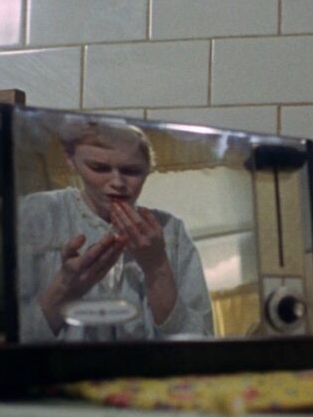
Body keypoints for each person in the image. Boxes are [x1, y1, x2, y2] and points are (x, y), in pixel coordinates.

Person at [18, 120, 213, 341]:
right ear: (71, 160)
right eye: (99, 168)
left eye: (131, 171)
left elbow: (200, 339)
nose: (117, 183)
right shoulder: (38, 213)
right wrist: (64, 288)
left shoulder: (171, 231)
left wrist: (157, 268)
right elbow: (7, 335)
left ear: (148, 170)